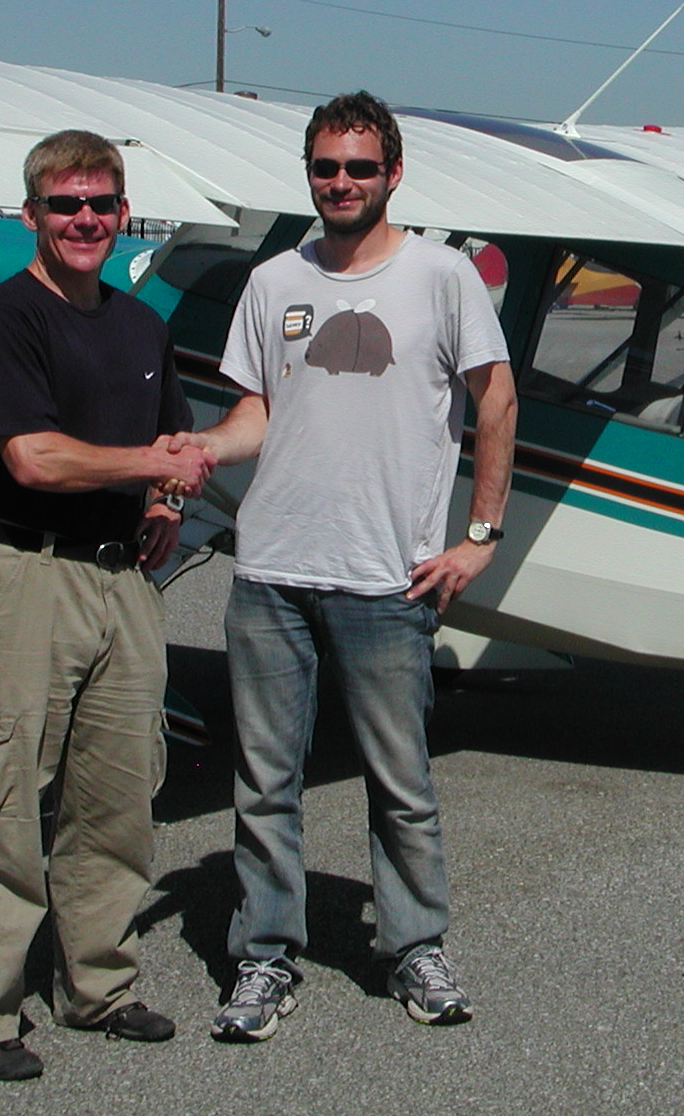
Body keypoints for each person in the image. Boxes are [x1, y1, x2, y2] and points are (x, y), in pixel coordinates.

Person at [180, 91, 516, 1041]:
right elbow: (254, 415)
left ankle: (413, 946)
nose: (341, 183)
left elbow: (497, 404)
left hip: (388, 578)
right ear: (311, 174)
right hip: (273, 571)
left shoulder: (444, 277)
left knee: (400, 780)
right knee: (263, 782)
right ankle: (265, 957)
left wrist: (479, 537)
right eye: (326, 168)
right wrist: (199, 451)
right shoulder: (273, 280)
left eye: (359, 168)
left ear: (393, 174)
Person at [0, 129, 215, 1081]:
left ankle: (99, 982)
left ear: (124, 215)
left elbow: (172, 433)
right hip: (28, 575)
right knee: (4, 796)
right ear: (33, 216)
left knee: (118, 793)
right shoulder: (6, 320)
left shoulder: (139, 326)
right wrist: (153, 468)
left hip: (124, 579)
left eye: (102, 204)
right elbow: (31, 457)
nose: (86, 220)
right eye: (66, 205)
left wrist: (168, 500)